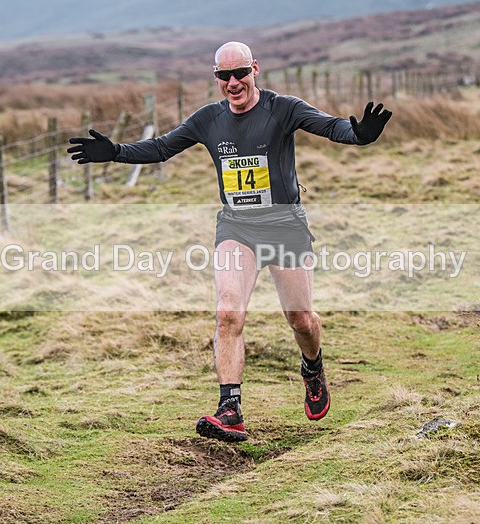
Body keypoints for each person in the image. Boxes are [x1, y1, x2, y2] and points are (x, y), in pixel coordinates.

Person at [68, 41, 392, 442]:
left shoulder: (283, 108)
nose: (233, 82)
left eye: (240, 73)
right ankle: (230, 409)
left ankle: (312, 368)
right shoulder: (209, 119)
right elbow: (162, 147)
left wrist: (358, 135)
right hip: (237, 227)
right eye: (224, 76)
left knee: (301, 319)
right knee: (227, 313)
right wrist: (116, 152)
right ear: (216, 77)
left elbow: (329, 126)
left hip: (284, 226)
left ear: (255, 69)